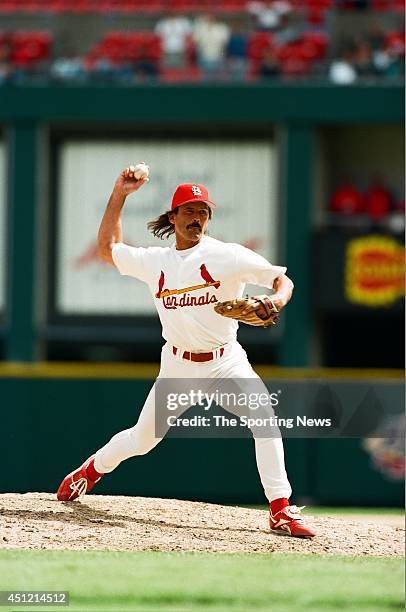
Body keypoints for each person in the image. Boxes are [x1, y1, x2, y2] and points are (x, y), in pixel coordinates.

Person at [56, 166, 316, 539]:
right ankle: (90, 470)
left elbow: (281, 278)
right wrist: (120, 194)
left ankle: (280, 509)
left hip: (226, 361)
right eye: (190, 211)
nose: (197, 218)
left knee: (265, 418)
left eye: (203, 211)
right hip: (178, 365)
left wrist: (276, 299)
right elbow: (107, 250)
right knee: (143, 440)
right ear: (173, 217)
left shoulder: (227, 256)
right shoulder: (156, 262)